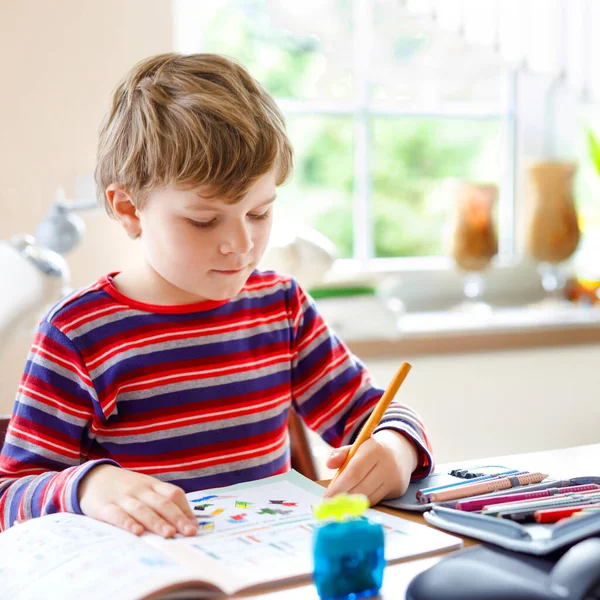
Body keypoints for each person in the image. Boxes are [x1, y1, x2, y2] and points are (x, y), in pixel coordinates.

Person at [0, 53, 432, 538]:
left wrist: (397, 445)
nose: (241, 245)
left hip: (270, 575)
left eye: (260, 212)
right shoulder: (78, 334)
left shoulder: (281, 308)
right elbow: (11, 494)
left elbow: (372, 411)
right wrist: (90, 486)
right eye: (203, 221)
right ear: (129, 209)